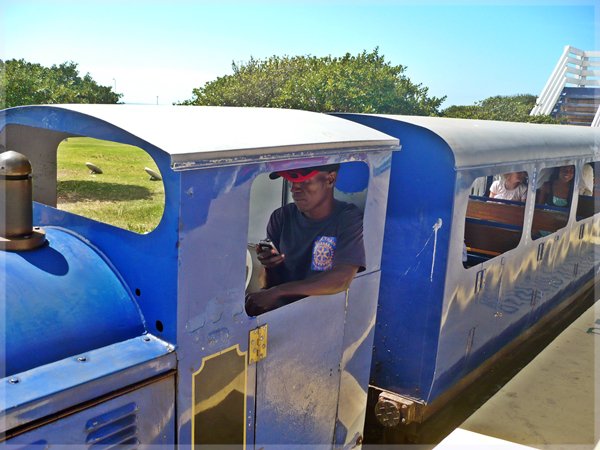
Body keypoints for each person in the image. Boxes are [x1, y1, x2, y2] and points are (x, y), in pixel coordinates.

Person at [244, 164, 365, 316]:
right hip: (284, 314)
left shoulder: (348, 218)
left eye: (304, 181)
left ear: (330, 179)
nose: (294, 189)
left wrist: (278, 292)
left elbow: (342, 278)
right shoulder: (281, 217)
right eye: (291, 181)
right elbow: (267, 285)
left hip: (325, 315)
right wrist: (270, 266)